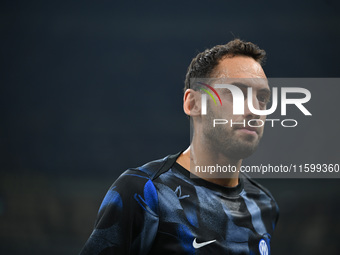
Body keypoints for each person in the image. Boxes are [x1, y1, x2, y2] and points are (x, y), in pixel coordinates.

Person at [80, 39, 279, 255]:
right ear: (193, 104)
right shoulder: (143, 192)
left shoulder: (263, 203)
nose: (254, 110)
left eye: (262, 98)